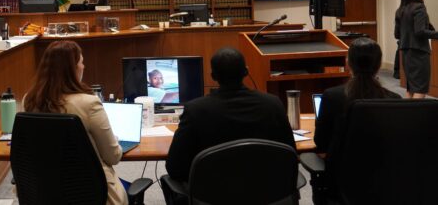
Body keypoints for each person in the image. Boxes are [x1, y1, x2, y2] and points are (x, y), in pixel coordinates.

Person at [162, 47, 295, 204]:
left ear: (213, 76)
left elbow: (174, 168)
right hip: (268, 194)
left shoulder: (196, 110)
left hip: (211, 197)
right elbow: (290, 155)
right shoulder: (273, 104)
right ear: (246, 72)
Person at [22, 40, 127, 205]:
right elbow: (113, 156)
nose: (83, 67)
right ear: (72, 69)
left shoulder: (29, 100)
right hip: (93, 194)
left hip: (45, 192)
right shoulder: (89, 103)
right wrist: (116, 141)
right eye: (81, 62)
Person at [312, 38, 401, 203]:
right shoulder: (394, 99)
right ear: (379, 64)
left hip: (341, 184)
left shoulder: (332, 96)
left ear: (348, 63)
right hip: (385, 183)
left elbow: (321, 142)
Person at [394, 0, 438, 98]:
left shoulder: (400, 10)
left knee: (411, 87)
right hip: (419, 53)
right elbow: (420, 32)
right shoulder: (419, 8)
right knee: (420, 88)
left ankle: (408, 115)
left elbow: (397, 34)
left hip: (405, 53)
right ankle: (415, 116)